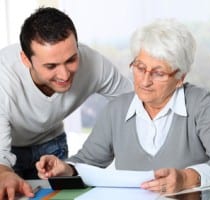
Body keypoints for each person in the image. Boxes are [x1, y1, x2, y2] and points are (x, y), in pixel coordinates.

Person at [36, 19, 210, 194]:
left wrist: (187, 178)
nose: (145, 81)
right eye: (140, 67)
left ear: (180, 77)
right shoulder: (116, 109)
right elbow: (87, 162)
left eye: (158, 73)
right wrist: (66, 168)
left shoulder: (200, 102)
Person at [0, 7, 132, 199]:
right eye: (51, 66)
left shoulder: (94, 64)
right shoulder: (3, 77)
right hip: (7, 150)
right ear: (25, 60)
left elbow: (134, 104)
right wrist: (4, 173)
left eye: (71, 60)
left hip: (52, 146)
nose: (64, 75)